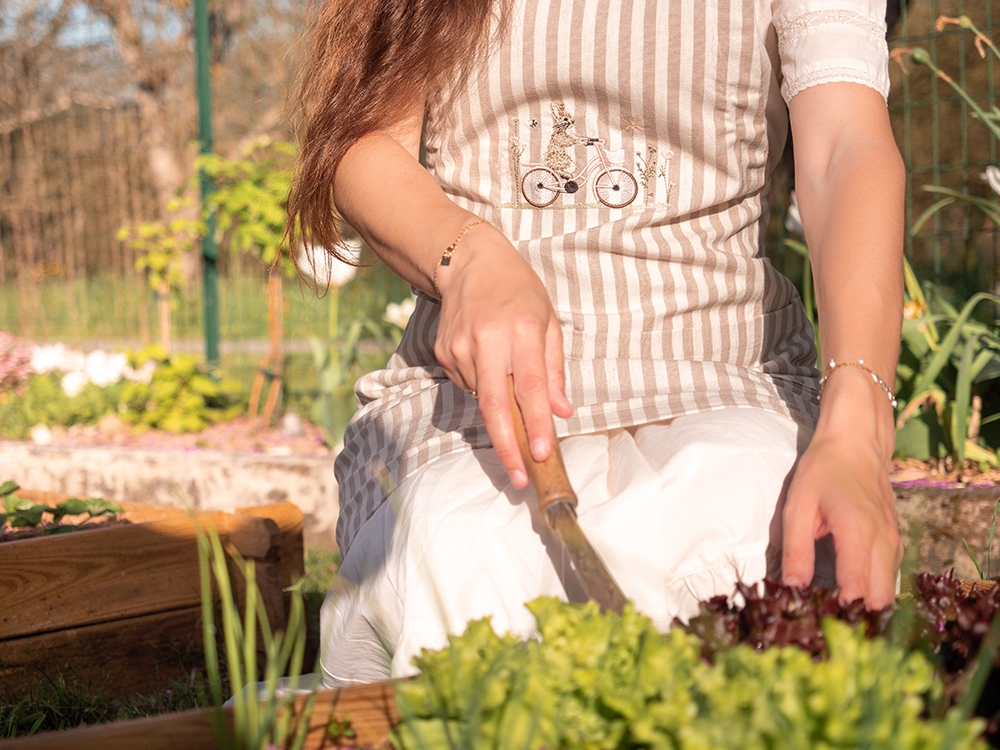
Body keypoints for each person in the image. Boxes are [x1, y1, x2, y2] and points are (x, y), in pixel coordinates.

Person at [286, 0, 905, 685]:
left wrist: (855, 430)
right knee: (465, 559)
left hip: (727, 377)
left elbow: (846, 145)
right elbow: (364, 146)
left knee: (752, 523)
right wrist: (468, 256)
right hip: (472, 408)